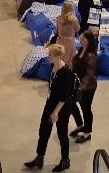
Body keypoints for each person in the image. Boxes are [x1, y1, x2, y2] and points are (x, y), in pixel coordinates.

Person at [23, 44, 76, 172]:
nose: (48, 57)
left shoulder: (66, 73)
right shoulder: (53, 67)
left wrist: (55, 112)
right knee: (44, 131)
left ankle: (65, 160)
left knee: (62, 134)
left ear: (57, 57)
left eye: (50, 55)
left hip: (61, 108)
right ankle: (39, 157)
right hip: (50, 103)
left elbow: (64, 96)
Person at [69, 30, 98, 144]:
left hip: (88, 87)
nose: (80, 40)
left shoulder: (91, 55)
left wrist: (81, 88)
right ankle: (80, 125)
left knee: (86, 109)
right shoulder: (82, 49)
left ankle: (87, 133)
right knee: (71, 103)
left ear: (89, 41)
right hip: (78, 84)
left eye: (83, 39)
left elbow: (89, 74)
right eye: (80, 38)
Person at [50, 1, 80, 69]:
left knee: (60, 58)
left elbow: (56, 31)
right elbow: (77, 29)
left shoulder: (58, 18)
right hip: (70, 42)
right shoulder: (74, 20)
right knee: (70, 60)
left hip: (60, 41)